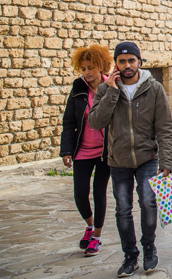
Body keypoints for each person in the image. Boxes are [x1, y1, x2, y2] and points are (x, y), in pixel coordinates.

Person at [89, 42, 172, 277]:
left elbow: (165, 128)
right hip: (119, 160)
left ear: (139, 62)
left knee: (148, 202)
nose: (127, 65)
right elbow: (95, 122)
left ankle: (149, 248)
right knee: (123, 210)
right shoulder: (106, 90)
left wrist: (166, 162)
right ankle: (130, 256)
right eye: (122, 61)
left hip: (148, 157)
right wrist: (112, 91)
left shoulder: (154, 89)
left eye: (131, 60)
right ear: (116, 65)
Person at [60, 44, 113, 256]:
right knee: (80, 193)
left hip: (105, 151)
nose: (87, 72)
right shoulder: (78, 89)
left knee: (99, 192)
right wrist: (66, 150)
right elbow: (69, 121)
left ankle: (97, 237)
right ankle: (90, 226)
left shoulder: (113, 86)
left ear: (101, 66)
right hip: (82, 149)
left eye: (90, 67)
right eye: (83, 68)